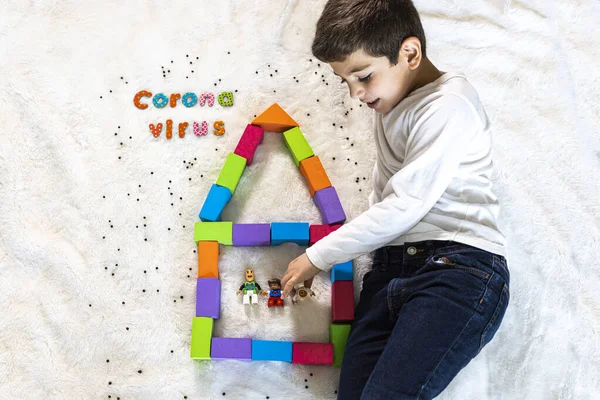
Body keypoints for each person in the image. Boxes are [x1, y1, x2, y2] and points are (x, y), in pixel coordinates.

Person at [280, 1, 510, 398]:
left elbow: (404, 205)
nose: (355, 93)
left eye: (363, 76)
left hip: (458, 271)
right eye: (345, 81)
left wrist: (317, 256)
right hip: (390, 269)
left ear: (409, 53)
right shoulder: (389, 108)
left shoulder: (449, 103)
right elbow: (383, 195)